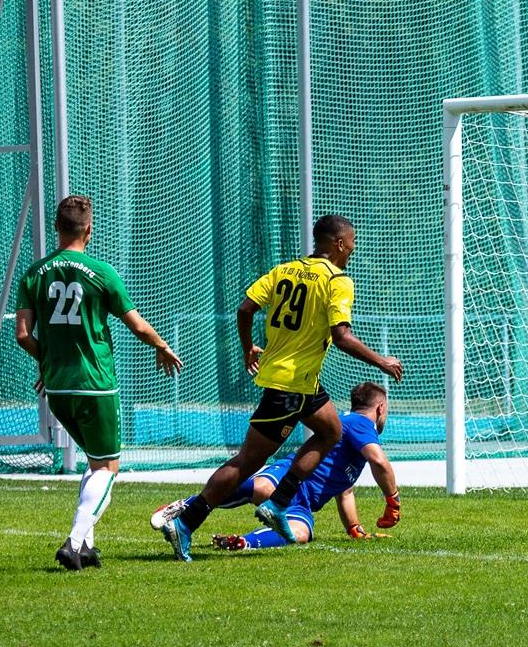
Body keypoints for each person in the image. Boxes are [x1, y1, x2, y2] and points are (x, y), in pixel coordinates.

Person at [154, 215, 402, 562]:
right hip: (290, 385)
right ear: (339, 244)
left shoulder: (284, 270)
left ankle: (279, 502)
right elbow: (341, 336)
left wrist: (246, 348)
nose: (353, 249)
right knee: (247, 462)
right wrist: (382, 363)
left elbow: (245, 308)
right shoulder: (338, 281)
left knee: (331, 430)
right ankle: (187, 521)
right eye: (352, 242)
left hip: (300, 381)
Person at [15, 194, 183, 571]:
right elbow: (136, 325)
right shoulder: (101, 272)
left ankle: (87, 545)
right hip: (95, 384)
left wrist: (49, 360)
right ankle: (74, 542)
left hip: (57, 388)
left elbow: (23, 335)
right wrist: (162, 345)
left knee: (94, 465)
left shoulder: (34, 273)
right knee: (108, 468)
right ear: (89, 229)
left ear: (57, 228)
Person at [150, 382, 401, 551]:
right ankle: (187, 506)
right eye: (386, 410)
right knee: (259, 488)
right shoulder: (360, 423)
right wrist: (393, 500)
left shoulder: (351, 432)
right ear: (380, 408)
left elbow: (344, 491)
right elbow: (379, 461)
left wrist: (354, 529)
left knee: (299, 534)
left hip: (303, 503)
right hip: (290, 476)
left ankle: (243, 543)